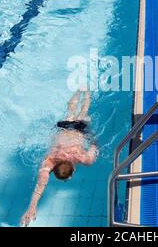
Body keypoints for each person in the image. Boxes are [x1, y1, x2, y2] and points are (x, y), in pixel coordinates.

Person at [20, 90, 98, 226]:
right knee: (71, 112)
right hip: (63, 127)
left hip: (79, 130)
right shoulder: (49, 161)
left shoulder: (83, 159)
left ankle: (86, 94)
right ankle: (82, 91)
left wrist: (92, 140)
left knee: (84, 111)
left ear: (73, 169)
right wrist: (31, 207)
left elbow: (94, 148)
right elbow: (40, 185)